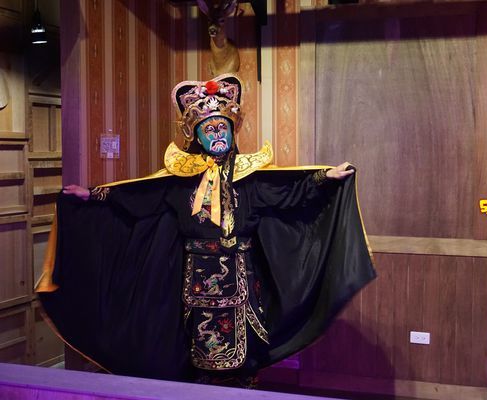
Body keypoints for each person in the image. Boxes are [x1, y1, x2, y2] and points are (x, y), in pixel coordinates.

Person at [36, 74, 375, 387]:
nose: (217, 134)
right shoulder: (179, 181)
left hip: (241, 275)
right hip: (194, 277)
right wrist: (93, 196)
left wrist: (325, 178)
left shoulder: (251, 178)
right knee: (194, 346)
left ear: (232, 130)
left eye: (222, 127)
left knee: (245, 349)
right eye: (208, 129)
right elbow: (139, 196)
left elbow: (289, 191)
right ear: (196, 136)